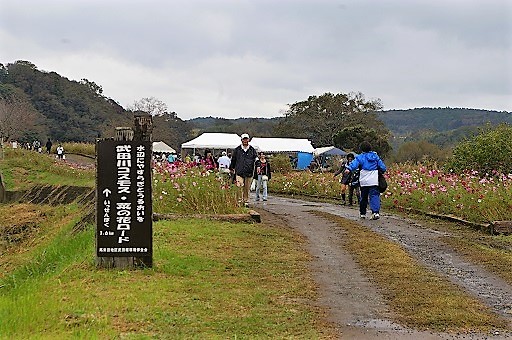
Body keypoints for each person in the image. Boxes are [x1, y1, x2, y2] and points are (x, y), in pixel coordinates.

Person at [345, 141, 386, 220]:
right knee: (374, 195)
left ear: (362, 149)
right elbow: (383, 167)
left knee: (363, 196)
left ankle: (363, 213)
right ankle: (375, 212)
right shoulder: (375, 156)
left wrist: (349, 169)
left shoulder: (360, 157)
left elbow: (354, 164)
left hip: (364, 179)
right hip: (374, 179)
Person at [229, 133, 258, 207]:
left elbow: (256, 159)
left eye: (246, 139)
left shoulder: (252, 150)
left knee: (246, 188)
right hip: (239, 171)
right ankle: (239, 200)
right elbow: (233, 159)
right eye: (244, 139)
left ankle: (245, 201)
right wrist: (231, 168)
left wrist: (258, 166)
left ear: (248, 140)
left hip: (249, 171)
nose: (245, 141)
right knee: (239, 186)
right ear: (241, 140)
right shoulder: (237, 150)